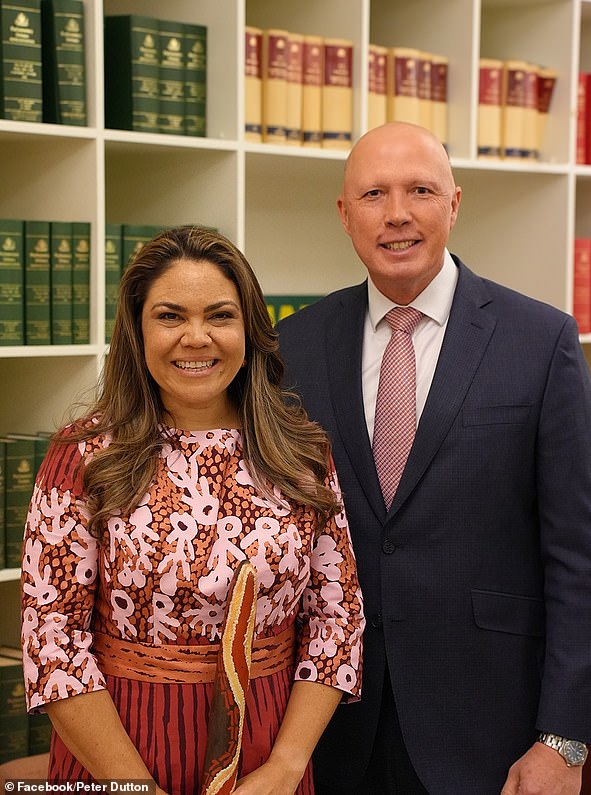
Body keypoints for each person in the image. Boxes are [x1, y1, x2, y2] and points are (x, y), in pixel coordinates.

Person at [276, 122, 591, 795]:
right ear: (345, 215)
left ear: (454, 204)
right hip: (331, 732)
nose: (397, 213)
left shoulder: (541, 341)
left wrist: (564, 740)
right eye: (374, 193)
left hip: (493, 730)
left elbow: (584, 559)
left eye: (420, 191)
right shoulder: (293, 347)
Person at [21, 226, 364, 795]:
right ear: (137, 330)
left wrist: (286, 768)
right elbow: (53, 642)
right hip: (117, 757)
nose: (196, 338)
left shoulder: (303, 453)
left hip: (270, 759)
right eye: (170, 316)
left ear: (249, 330)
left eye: (220, 316)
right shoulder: (82, 456)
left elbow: (338, 618)